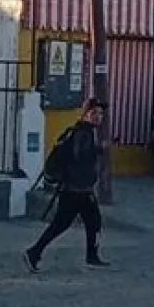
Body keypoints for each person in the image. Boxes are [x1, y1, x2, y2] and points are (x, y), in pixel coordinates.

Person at [24, 98, 109, 272]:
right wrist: (97, 151)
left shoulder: (82, 132)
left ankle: (36, 252)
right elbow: (79, 158)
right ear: (85, 114)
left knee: (74, 223)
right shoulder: (82, 133)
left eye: (101, 113)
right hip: (77, 189)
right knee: (81, 222)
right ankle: (35, 252)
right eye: (95, 113)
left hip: (76, 189)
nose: (98, 117)